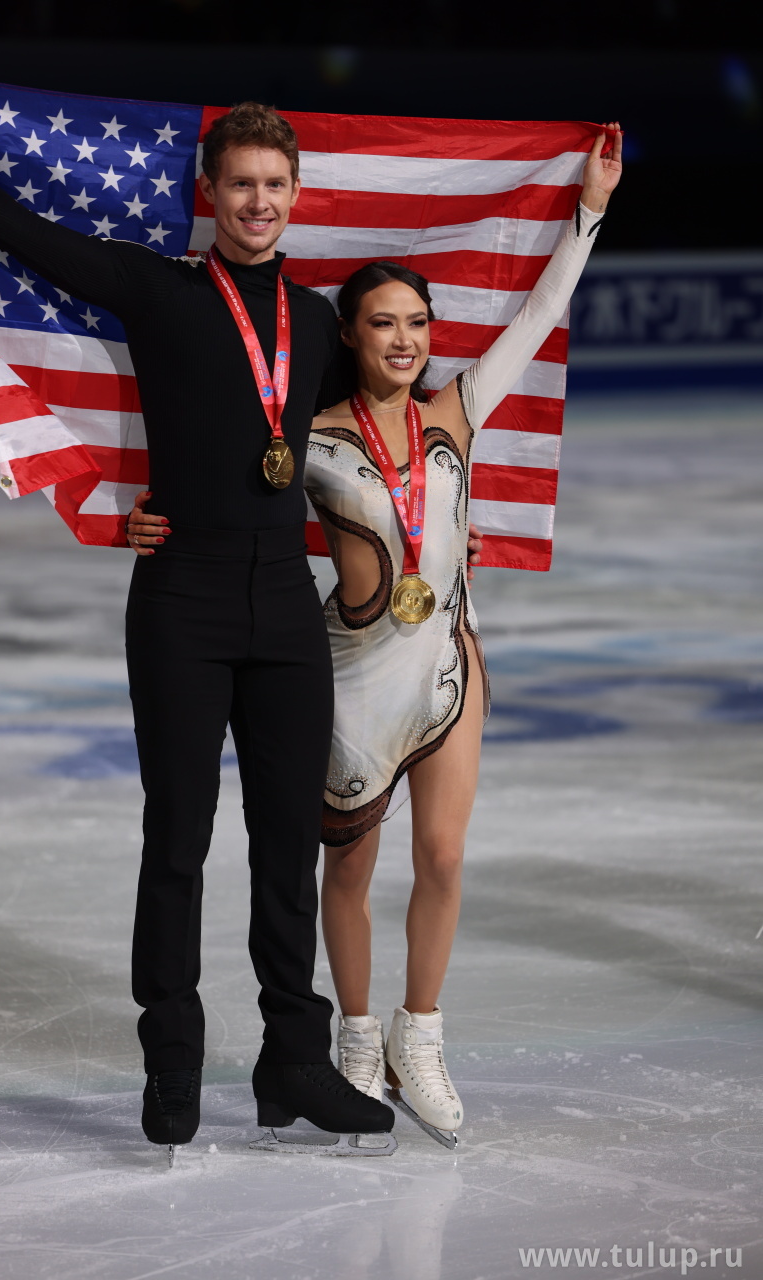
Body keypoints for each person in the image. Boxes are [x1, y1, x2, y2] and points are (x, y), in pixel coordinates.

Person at [0, 101, 397, 1154]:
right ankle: (171, 1056)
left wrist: (578, 221)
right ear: (208, 194)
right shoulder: (156, 289)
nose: (258, 201)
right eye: (241, 184)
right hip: (182, 596)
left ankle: (293, 1061)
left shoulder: (316, 322)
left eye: (275, 184)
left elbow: (390, 416)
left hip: (285, 600)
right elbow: (19, 233)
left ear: (296, 194)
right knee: (178, 837)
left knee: (287, 844)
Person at [129, 124, 623, 1145]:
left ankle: (417, 1036)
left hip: (445, 661)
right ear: (348, 337)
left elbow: (540, 313)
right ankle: (349, 1039)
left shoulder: (459, 410)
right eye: (383, 324)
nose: (404, 340)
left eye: (417, 322)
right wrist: (143, 513)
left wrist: (588, 211)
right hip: (348, 669)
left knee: (441, 854)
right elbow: (224, 462)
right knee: (340, 870)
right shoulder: (308, 437)